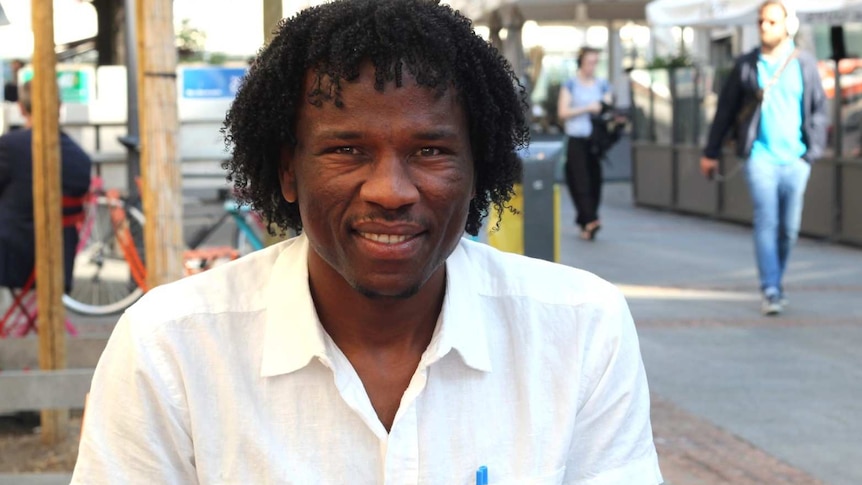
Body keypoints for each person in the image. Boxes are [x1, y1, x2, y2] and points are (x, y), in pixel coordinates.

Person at [73, 1, 662, 483]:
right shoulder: (172, 348)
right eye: (346, 150)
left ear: (477, 167)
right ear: (287, 170)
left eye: (430, 150)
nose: (390, 190)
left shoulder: (579, 330)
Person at [700, 0, 828, 316]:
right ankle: (770, 288)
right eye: (761, 22)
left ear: (788, 25)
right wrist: (711, 152)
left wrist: (812, 153)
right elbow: (726, 111)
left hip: (796, 159)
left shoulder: (805, 64)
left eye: (771, 22)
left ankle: (776, 281)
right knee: (767, 220)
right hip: (760, 157)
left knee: (788, 228)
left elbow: (819, 111)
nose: (764, 27)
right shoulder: (746, 65)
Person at [0, 80, 92, 293]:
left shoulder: (10, 147)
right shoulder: (80, 158)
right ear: (59, 107)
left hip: (14, 259)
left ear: (21, 108)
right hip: (59, 259)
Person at [556, 46, 613, 241]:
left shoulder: (602, 84)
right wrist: (587, 108)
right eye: (589, 62)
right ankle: (589, 220)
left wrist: (605, 106)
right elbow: (562, 113)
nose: (592, 66)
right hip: (576, 139)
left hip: (595, 140)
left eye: (596, 62)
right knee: (580, 181)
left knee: (595, 180)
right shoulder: (570, 85)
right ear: (581, 62)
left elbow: (609, 104)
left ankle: (588, 221)